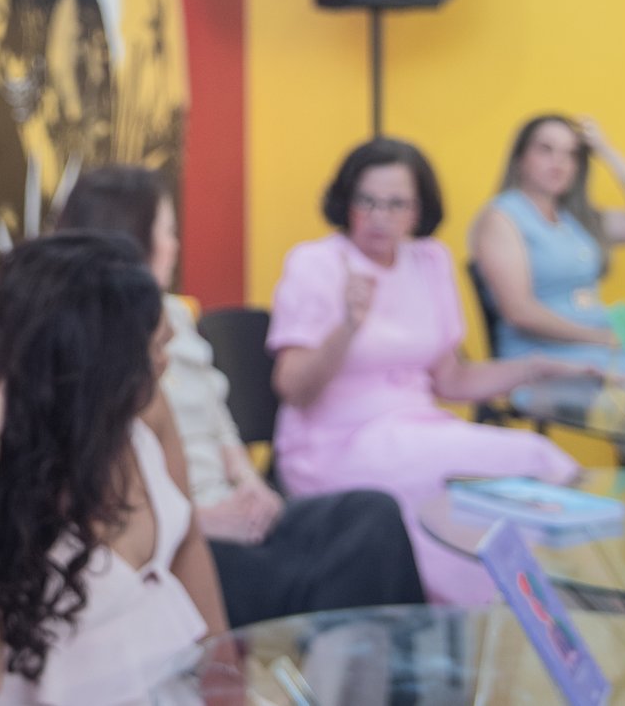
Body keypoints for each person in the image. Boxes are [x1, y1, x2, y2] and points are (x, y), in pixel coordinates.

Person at [0, 232, 230, 706]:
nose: (165, 359)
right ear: (95, 365)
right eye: (153, 348)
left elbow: (188, 548)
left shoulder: (144, 414)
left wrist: (227, 686)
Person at [55, 166, 424, 627]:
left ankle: (402, 664)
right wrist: (201, 520)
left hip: (233, 508)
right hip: (180, 536)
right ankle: (335, 664)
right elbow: (95, 501)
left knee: (373, 513)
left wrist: (252, 485)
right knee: (335, 574)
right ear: (129, 238)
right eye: (167, 232)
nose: (175, 246)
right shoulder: (82, 343)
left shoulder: (175, 315)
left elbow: (219, 421)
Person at [268, 139, 596, 606]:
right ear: (346, 201)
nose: (380, 217)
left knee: (526, 469)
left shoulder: (429, 261)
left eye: (396, 204)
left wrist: (532, 368)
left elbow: (451, 381)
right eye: (367, 201)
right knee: (531, 459)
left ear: (419, 211)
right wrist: (347, 327)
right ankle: (488, 613)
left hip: (417, 431)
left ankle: (511, 613)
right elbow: (292, 388)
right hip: (335, 443)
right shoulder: (316, 263)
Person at [469, 113, 625, 371]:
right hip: (545, 354)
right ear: (520, 157)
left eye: (571, 154)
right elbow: (519, 311)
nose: (558, 162)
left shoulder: (575, 220)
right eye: (546, 149)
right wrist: (604, 339)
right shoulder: (502, 218)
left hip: (596, 337)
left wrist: (606, 151)